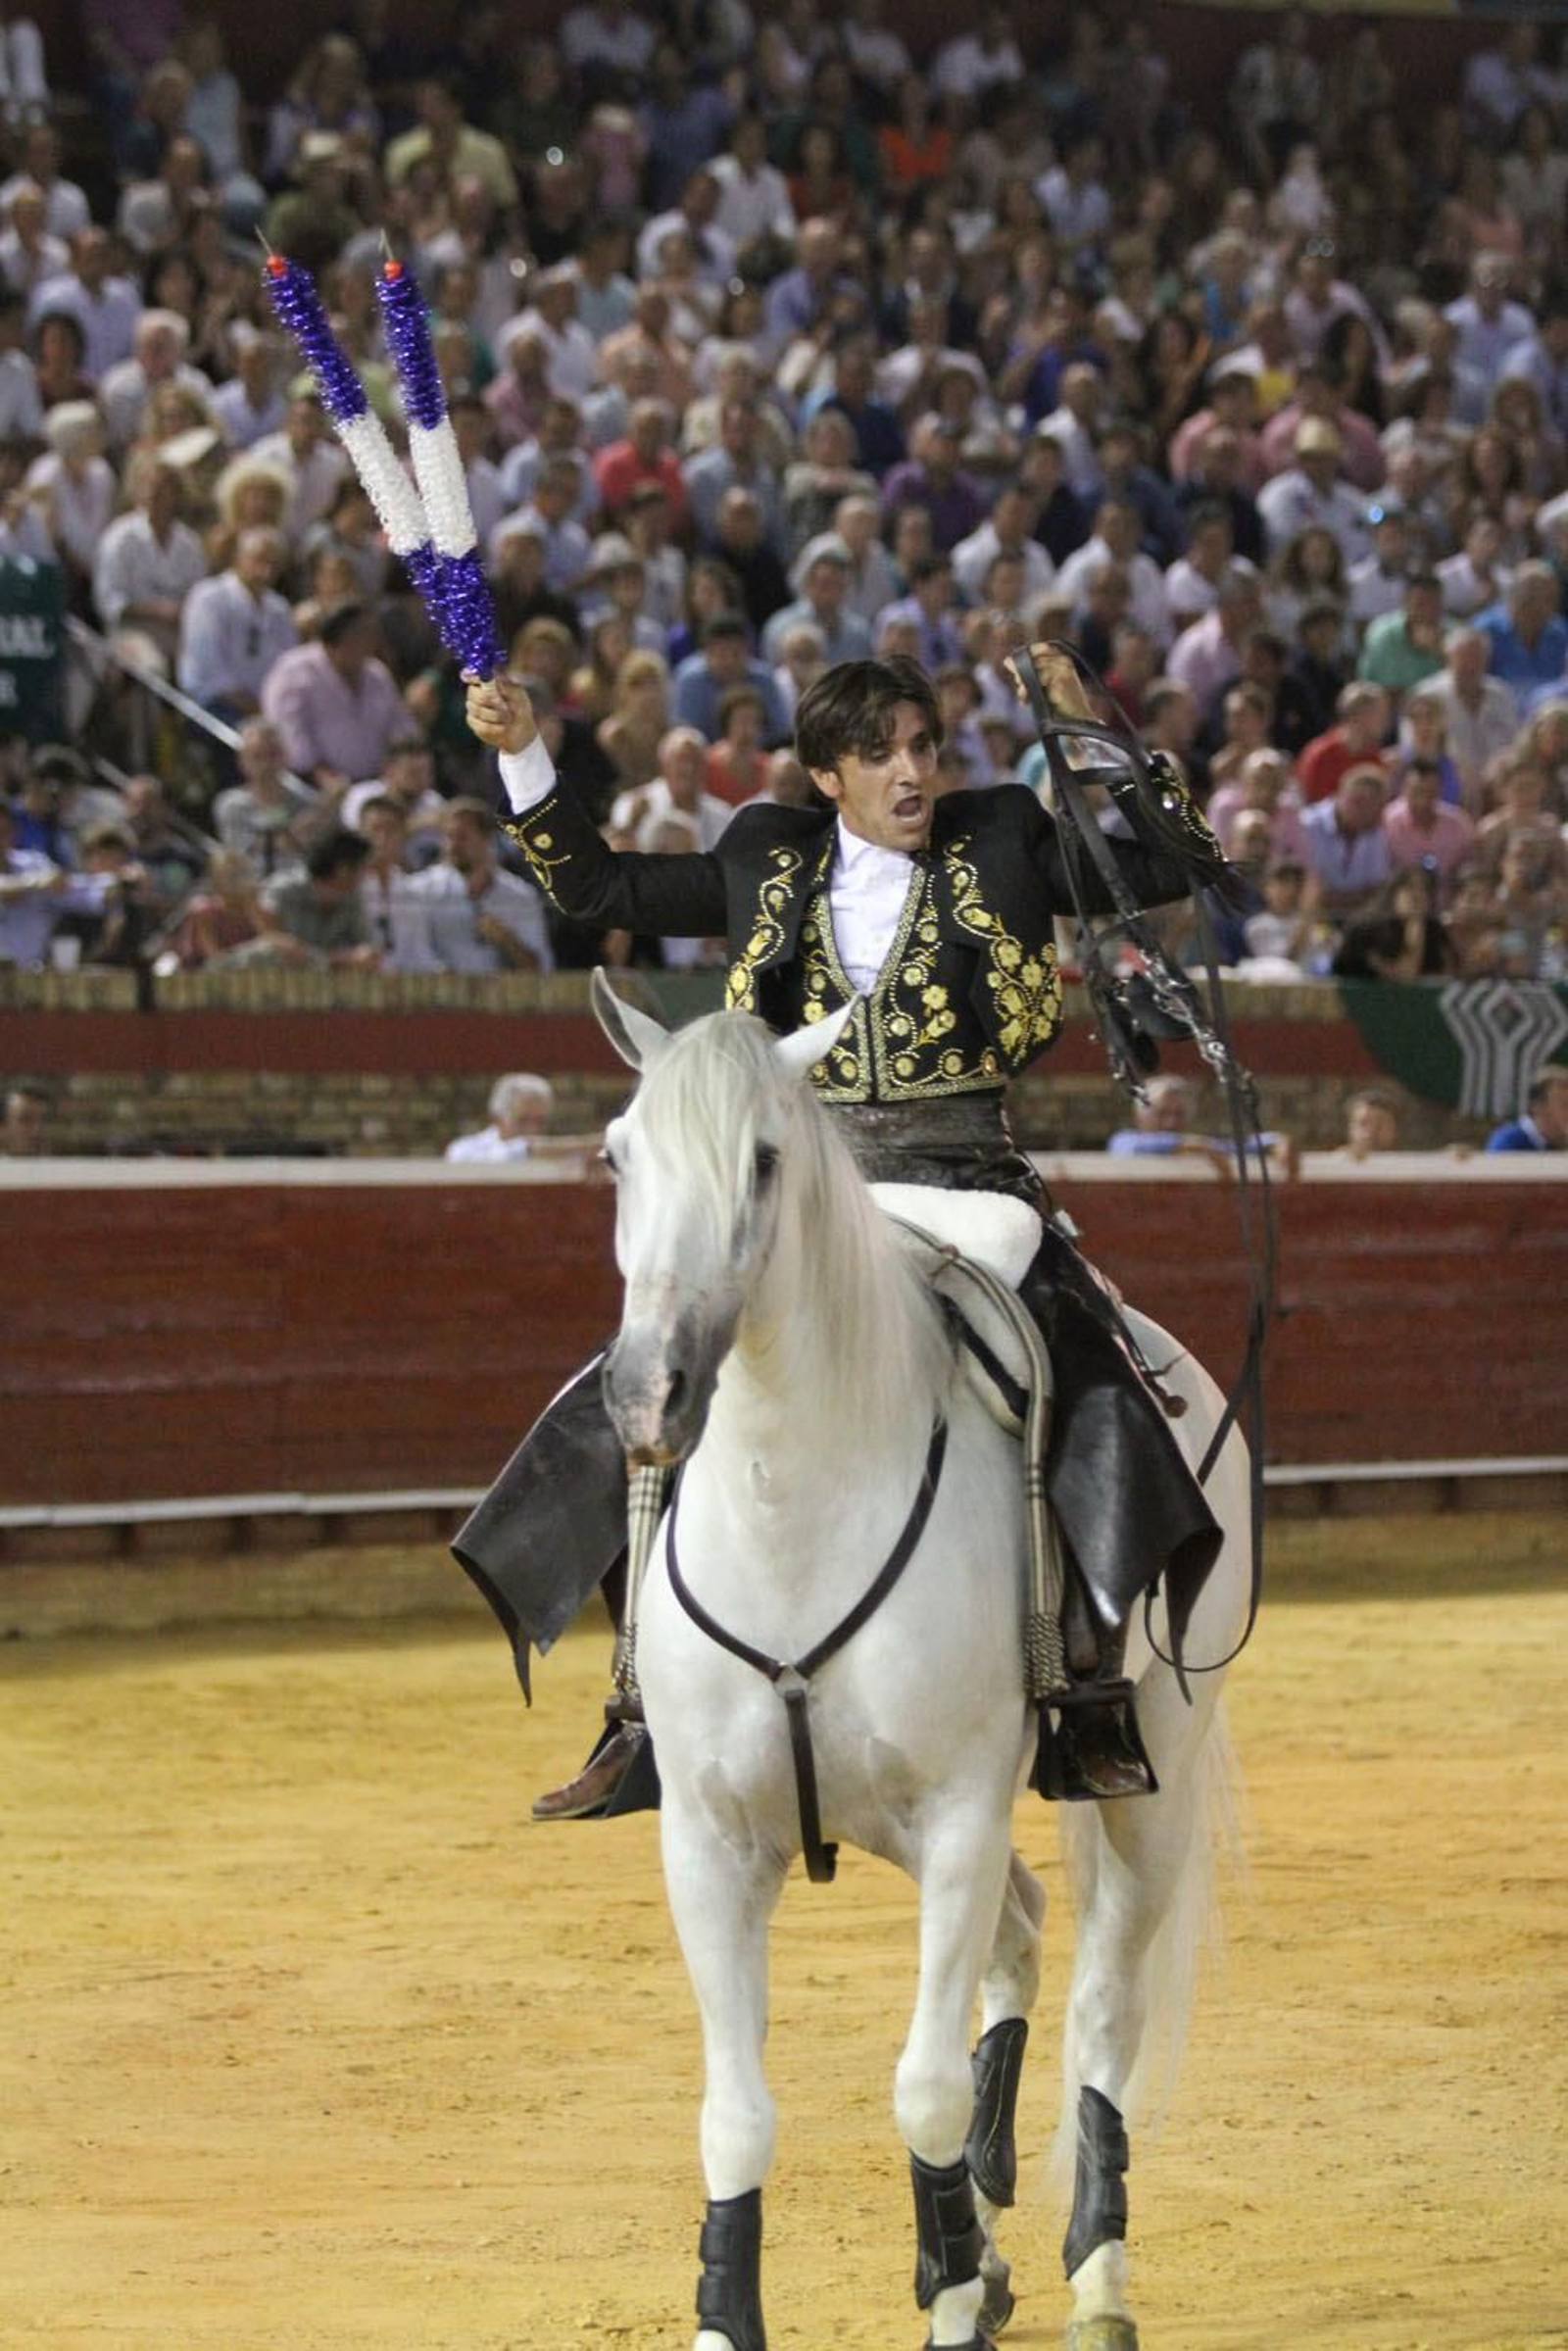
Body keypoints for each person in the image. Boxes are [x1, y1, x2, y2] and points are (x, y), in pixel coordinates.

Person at [461, 645, 1233, 1816]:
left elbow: (1174, 864)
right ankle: (639, 1698)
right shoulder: (761, 854)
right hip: (809, 1193)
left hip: (967, 1180)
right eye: (879, 756)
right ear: (827, 773)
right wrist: (521, 750)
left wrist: (1090, 729)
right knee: (638, 1377)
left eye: (923, 748)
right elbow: (599, 892)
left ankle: (1082, 1685)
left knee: (1082, 1364)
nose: (912, 774)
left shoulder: (1005, 834)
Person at [445, 1072, 594, 1166]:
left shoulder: (558, 1157)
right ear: (497, 1118)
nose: (532, 1130)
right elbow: (503, 1158)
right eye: (522, 1121)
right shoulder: (464, 1149)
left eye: (539, 1121)